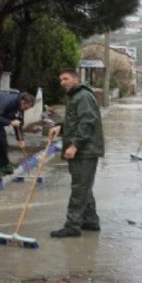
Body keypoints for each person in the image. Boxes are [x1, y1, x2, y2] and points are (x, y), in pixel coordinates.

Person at [47, 69, 104, 238]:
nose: (62, 82)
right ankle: (90, 221)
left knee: (79, 188)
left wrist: (74, 146)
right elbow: (75, 121)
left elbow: (87, 122)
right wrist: (60, 127)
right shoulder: (75, 96)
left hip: (85, 151)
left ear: (76, 79)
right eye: (60, 79)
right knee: (84, 186)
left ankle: (73, 226)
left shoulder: (83, 96)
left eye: (66, 78)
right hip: (83, 149)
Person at [0, 91, 36, 175]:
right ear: (23, 102)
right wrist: (10, 122)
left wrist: (20, 139)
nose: (26, 110)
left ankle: (4, 165)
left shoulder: (20, 107)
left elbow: (18, 123)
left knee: (2, 141)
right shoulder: (7, 101)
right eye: (26, 108)